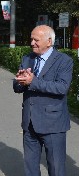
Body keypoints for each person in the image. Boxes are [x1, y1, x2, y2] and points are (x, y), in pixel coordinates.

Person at [13, 25, 73, 176]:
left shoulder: (64, 61)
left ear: (49, 41)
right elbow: (17, 87)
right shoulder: (27, 58)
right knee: (30, 167)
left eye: (36, 40)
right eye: (31, 39)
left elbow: (62, 88)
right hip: (29, 121)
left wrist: (32, 82)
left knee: (56, 167)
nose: (32, 43)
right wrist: (20, 80)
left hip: (53, 123)